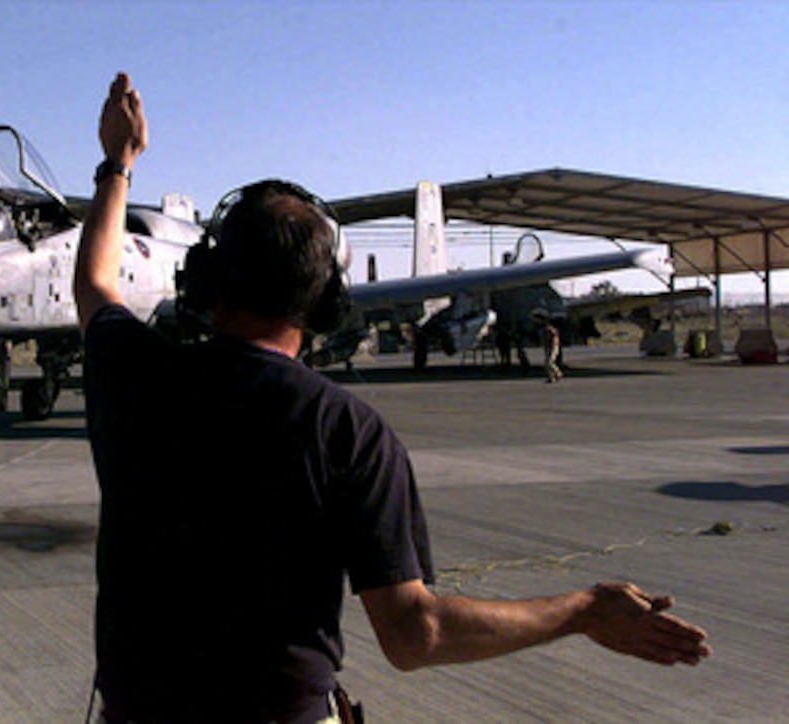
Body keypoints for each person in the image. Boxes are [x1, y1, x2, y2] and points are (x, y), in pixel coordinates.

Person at [75, 73, 710, 724]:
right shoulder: (348, 429)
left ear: (205, 279)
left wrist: (118, 162)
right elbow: (415, 635)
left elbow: (95, 281)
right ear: (324, 304)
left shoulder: (130, 370)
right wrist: (582, 610)